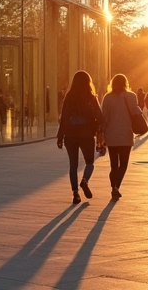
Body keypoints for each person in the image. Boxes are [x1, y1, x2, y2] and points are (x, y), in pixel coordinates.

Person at [56, 70, 104, 204]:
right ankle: (85, 181)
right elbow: (99, 117)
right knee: (89, 162)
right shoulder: (91, 97)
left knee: (73, 165)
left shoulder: (69, 97)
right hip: (87, 135)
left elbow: (64, 118)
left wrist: (60, 137)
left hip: (70, 135)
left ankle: (75, 193)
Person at [100, 74, 141, 199]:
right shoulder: (131, 96)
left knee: (114, 164)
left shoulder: (107, 98)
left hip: (111, 135)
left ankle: (114, 187)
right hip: (126, 134)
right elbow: (135, 112)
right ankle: (116, 187)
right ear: (125, 83)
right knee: (123, 164)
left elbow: (104, 117)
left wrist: (101, 134)